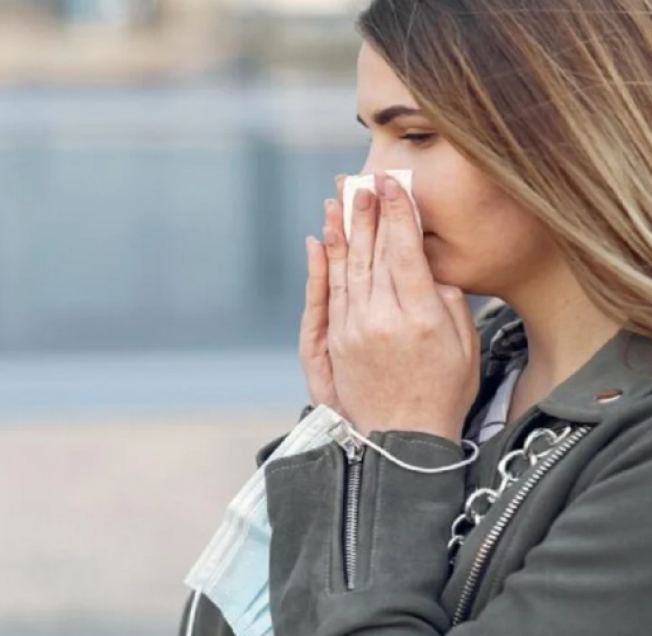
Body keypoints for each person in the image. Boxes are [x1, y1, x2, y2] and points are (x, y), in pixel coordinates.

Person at [180, 0, 652, 634]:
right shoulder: (459, 374)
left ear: (569, 138)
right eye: (370, 135)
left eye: (417, 135)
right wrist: (345, 429)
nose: (371, 181)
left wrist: (396, 449)